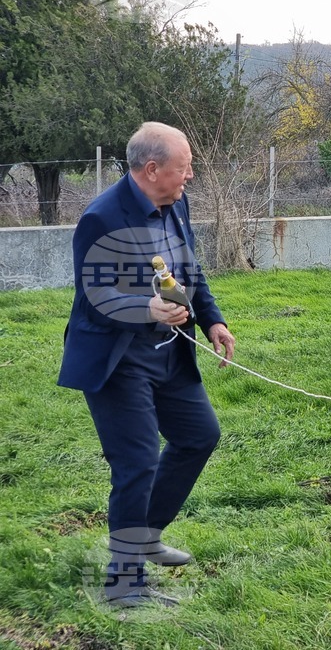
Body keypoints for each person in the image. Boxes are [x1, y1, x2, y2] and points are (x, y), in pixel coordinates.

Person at [58, 121, 235, 608]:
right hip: (118, 361)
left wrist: (211, 321)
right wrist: (146, 309)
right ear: (152, 168)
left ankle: (145, 533)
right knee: (135, 463)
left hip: (169, 354)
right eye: (185, 167)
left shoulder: (175, 204)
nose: (191, 176)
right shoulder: (102, 218)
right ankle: (123, 588)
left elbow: (190, 270)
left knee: (199, 434)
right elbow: (95, 299)